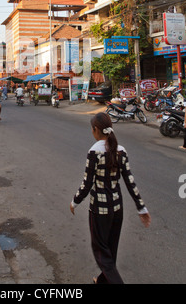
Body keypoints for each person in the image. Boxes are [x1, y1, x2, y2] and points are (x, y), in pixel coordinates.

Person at [70, 112, 151, 284]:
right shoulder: (121, 150)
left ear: (96, 130)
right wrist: (141, 207)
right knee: (110, 250)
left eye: (92, 130)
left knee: (100, 251)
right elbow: (130, 182)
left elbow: (87, 183)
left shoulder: (94, 151)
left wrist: (74, 201)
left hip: (100, 210)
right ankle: (102, 280)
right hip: (117, 209)